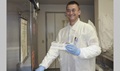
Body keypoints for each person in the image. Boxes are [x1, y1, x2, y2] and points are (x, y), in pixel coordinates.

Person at [35, 1, 101, 71]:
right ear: (66, 13)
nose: (71, 13)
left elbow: (96, 49)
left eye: (73, 10)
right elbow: (54, 50)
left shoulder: (87, 28)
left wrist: (79, 51)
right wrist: (43, 65)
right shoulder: (62, 32)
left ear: (79, 12)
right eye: (68, 11)